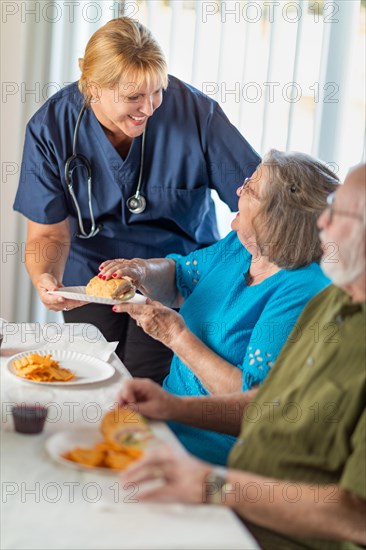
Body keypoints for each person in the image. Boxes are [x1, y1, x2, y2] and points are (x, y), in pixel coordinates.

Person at [116, 163, 366, 550]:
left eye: (339, 213)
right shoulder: (335, 302)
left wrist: (211, 485)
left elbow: (356, 516)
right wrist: (173, 407)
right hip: (229, 493)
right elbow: (267, 404)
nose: (323, 226)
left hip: (267, 526)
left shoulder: (307, 290)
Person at [13, 17, 260, 384]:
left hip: (175, 275)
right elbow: (48, 234)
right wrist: (46, 278)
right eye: (133, 97)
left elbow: (258, 200)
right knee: (94, 383)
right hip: (91, 279)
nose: (149, 107)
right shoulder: (52, 127)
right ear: (93, 88)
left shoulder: (195, 114)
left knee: (151, 388)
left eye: (157, 90)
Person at [102, 150, 337, 464]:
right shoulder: (240, 246)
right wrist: (141, 271)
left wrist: (174, 336)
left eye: (250, 189)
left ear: (277, 217)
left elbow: (254, 405)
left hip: (213, 455)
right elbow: (180, 274)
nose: (239, 191)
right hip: (162, 427)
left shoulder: (304, 290)